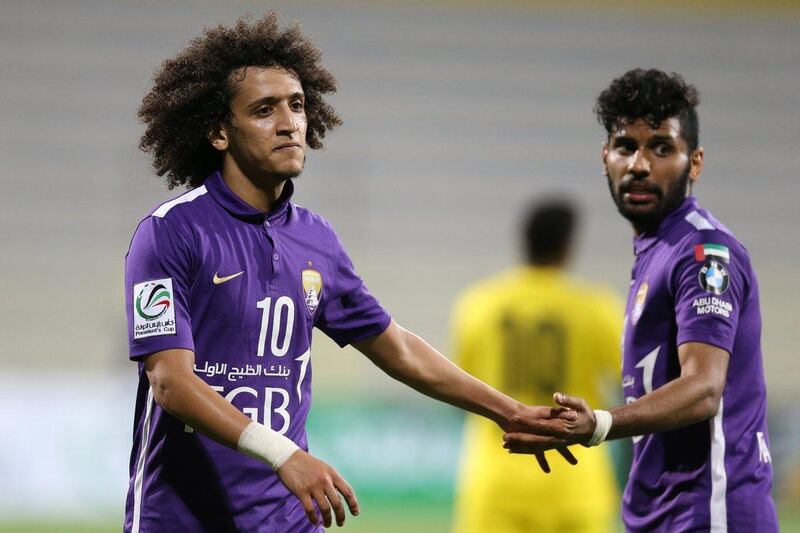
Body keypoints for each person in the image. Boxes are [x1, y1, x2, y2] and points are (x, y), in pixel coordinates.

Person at [123, 13, 573, 533]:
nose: (290, 123)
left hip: (287, 518)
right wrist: (284, 455)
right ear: (219, 132)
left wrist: (507, 410)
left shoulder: (317, 241)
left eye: (296, 105)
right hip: (182, 518)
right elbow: (171, 383)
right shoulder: (168, 233)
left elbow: (397, 349)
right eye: (264, 110)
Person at [503, 69, 779, 532]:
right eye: (626, 146)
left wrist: (601, 425)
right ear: (605, 156)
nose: (640, 164)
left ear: (695, 163)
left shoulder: (703, 252)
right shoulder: (657, 252)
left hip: (709, 512)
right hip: (659, 512)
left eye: (662, 147)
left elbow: (705, 388)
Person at [451, 199, 623, 533]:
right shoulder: (597, 309)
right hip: (577, 484)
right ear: (568, 246)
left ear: (522, 239)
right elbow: (627, 383)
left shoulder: (478, 306)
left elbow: (462, 387)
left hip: (497, 482)